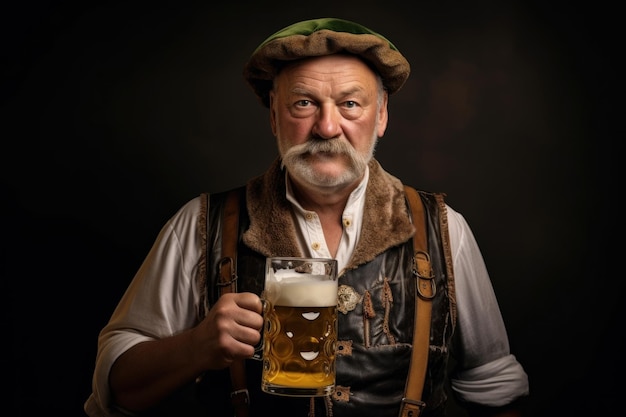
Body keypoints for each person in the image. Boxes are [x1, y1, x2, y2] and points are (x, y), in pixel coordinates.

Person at [84, 17, 529, 417]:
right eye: (303, 104)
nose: (328, 127)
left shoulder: (444, 228)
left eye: (351, 104)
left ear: (382, 116)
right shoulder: (200, 225)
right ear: (274, 117)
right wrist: (195, 347)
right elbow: (116, 390)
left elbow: (495, 389)